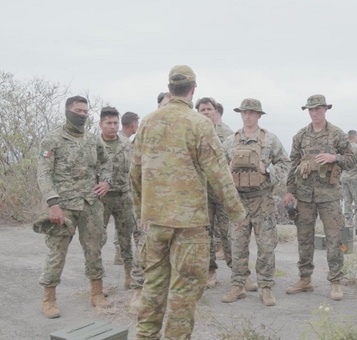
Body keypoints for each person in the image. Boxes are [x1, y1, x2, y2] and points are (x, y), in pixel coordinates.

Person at [131, 65, 246, 339]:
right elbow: (218, 173)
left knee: (153, 285)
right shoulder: (199, 124)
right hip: (189, 225)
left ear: (169, 88)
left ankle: (145, 336)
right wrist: (237, 213)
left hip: (156, 222)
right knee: (184, 291)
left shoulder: (148, 122)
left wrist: (142, 211)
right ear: (193, 90)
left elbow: (134, 172)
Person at [37, 95, 113, 318]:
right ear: (68, 111)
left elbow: (106, 162)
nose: (82, 115)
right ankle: (48, 299)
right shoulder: (52, 140)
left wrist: (106, 181)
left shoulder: (92, 140)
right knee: (57, 252)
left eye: (85, 111)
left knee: (94, 249)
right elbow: (43, 173)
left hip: (90, 204)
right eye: (78, 111)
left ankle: (96, 293)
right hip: (64, 206)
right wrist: (53, 203)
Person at [221, 98, 291, 306]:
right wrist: (227, 169)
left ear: (259, 115)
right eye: (244, 112)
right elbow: (218, 166)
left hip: (262, 200)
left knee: (266, 245)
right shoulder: (230, 141)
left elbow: (285, 164)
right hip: (238, 201)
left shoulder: (270, 140)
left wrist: (266, 170)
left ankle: (266, 286)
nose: (248, 116)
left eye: (252, 112)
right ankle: (238, 285)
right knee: (237, 245)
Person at [284, 94, 354, 301]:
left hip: (329, 196)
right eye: (311, 109)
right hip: (305, 196)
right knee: (304, 239)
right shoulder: (301, 136)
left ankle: (335, 282)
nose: (314, 113)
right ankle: (305, 279)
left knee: (334, 239)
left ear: (325, 109)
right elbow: (293, 164)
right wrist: (289, 191)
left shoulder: (336, 134)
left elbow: (352, 160)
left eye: (318, 109)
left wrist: (335, 157)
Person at [196, 97, 235, 288]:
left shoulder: (227, 133)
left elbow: (233, 161)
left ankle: (238, 273)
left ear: (215, 111)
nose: (205, 112)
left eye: (208, 109)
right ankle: (210, 272)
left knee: (229, 233)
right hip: (202, 193)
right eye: (202, 110)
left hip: (222, 191)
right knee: (205, 233)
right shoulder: (193, 132)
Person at [98, 107, 136, 290]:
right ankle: (98, 282)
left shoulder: (126, 143)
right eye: (108, 123)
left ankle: (129, 276)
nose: (112, 127)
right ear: (101, 124)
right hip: (101, 199)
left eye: (115, 123)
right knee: (97, 240)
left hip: (123, 197)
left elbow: (135, 168)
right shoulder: (94, 144)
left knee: (125, 239)